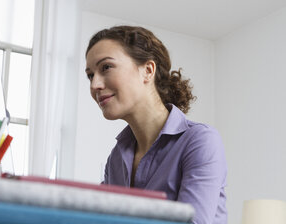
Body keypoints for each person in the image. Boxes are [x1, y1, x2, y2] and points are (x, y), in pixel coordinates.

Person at [85, 26, 227, 224]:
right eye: (90, 75)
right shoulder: (116, 159)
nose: (94, 85)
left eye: (106, 67)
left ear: (148, 70)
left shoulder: (200, 141)